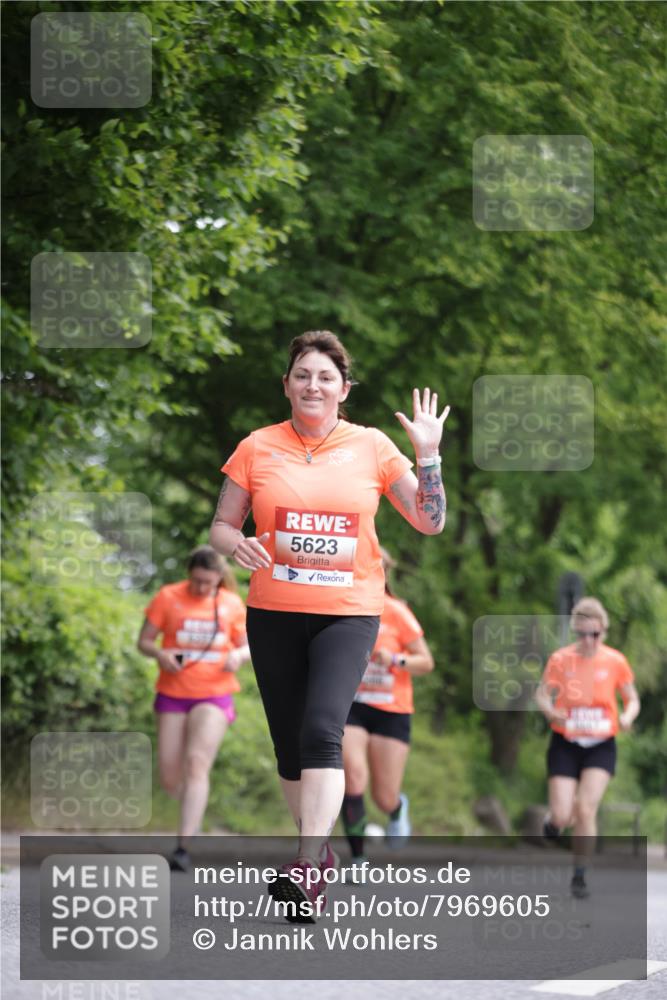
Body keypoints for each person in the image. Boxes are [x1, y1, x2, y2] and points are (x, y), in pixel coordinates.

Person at [210, 330, 448, 920]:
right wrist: (234, 544)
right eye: (301, 375)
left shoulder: (372, 446)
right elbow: (220, 524)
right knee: (290, 746)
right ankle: (315, 865)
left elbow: (429, 520)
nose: (312, 385)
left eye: (324, 376)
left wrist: (428, 455)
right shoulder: (257, 447)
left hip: (348, 613)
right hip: (273, 612)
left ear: (344, 389)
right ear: (287, 386)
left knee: (322, 731)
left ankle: (305, 860)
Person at [137, 544, 250, 871]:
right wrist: (160, 654)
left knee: (196, 763)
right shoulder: (168, 596)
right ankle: (193, 811)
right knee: (172, 777)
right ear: (189, 574)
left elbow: (248, 646)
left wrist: (238, 656)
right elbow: (144, 641)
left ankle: (183, 846)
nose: (202, 588)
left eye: (209, 583)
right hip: (173, 692)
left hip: (214, 693)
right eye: (198, 581)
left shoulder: (230, 603)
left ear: (219, 579)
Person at [535, 596, 640, 898]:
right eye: (582, 634)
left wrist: (627, 715)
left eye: (594, 634)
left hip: (601, 744)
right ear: (575, 632)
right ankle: (552, 822)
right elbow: (542, 695)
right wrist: (550, 711)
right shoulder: (560, 659)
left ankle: (580, 874)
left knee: (585, 808)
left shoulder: (616, 661)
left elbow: (631, 698)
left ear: (603, 631)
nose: (588, 641)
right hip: (565, 741)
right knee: (562, 814)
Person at [342, 547, 434, 862]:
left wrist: (396, 659)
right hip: (352, 704)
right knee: (353, 776)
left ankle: (396, 808)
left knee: (383, 797)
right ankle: (358, 858)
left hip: (391, 711)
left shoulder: (397, 612)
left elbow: (426, 662)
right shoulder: (344, 606)